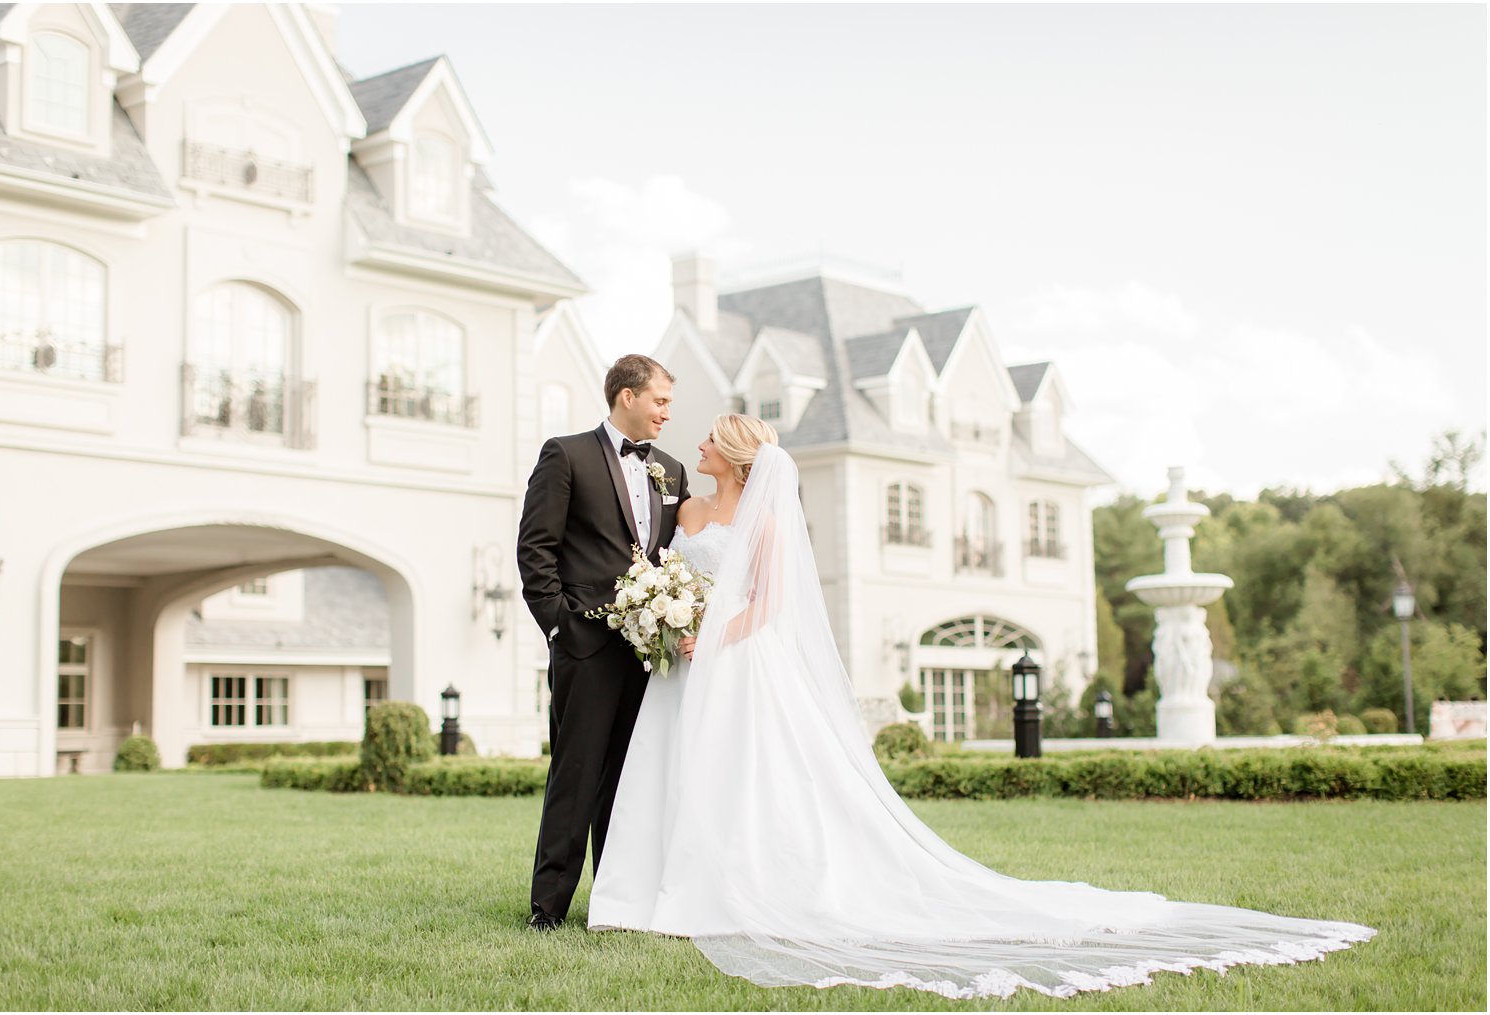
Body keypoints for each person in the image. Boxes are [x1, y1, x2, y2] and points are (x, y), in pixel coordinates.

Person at [587, 413, 1375, 1000]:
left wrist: (712, 636)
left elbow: (768, 600)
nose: (695, 446)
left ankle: (728, 883)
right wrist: (669, 616)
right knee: (674, 770)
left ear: (734, 455)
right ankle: (654, 889)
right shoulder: (685, 510)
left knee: (750, 777)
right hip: (679, 666)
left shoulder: (761, 522)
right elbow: (675, 574)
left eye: (709, 440)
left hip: (736, 661)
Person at [516, 354, 691, 932]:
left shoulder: (671, 469)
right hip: (585, 644)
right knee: (577, 772)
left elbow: (674, 556)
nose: (668, 412)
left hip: (651, 656)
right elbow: (536, 547)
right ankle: (549, 907)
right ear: (627, 397)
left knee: (631, 778)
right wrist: (560, 625)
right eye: (660, 401)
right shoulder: (565, 455)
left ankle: (616, 902)